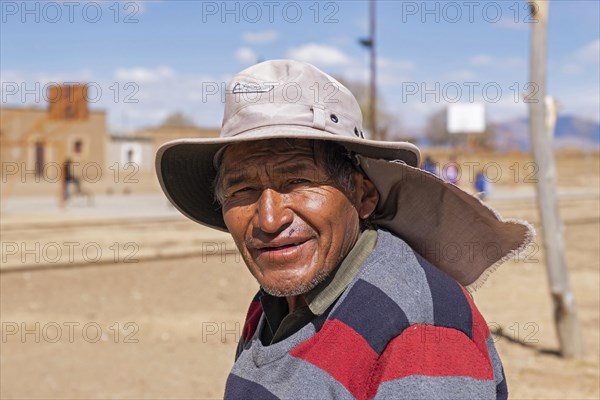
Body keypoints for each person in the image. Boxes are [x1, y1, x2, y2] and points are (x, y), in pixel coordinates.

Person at [156, 60, 534, 399]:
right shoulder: (277, 300)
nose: (269, 219)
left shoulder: (419, 336)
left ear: (363, 195)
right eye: (244, 190)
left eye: (298, 181)